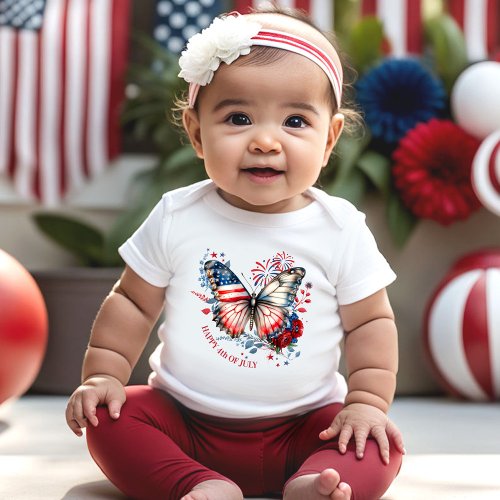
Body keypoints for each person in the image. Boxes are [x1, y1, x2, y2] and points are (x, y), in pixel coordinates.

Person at [65, 6, 405, 500]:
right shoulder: (179, 215)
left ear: (328, 139)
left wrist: (368, 404)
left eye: (294, 121)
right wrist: (104, 376)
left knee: (376, 444)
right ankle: (196, 483)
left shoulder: (339, 228)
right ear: (198, 133)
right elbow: (134, 303)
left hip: (306, 427)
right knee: (111, 417)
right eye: (238, 118)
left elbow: (370, 323)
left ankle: (314, 485)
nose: (265, 141)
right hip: (183, 424)